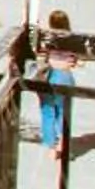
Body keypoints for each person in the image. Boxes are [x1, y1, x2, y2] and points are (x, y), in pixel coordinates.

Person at [34, 12, 80, 148]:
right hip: (65, 76)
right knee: (63, 111)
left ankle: (49, 142)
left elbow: (40, 54)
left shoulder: (46, 38)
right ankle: (63, 142)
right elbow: (77, 60)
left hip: (48, 76)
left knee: (47, 110)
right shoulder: (73, 40)